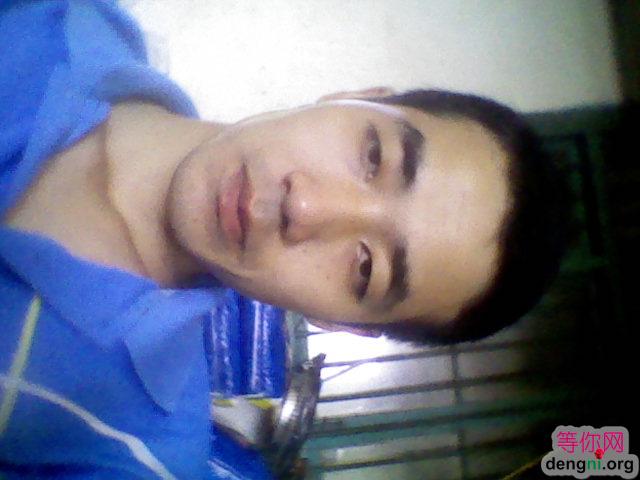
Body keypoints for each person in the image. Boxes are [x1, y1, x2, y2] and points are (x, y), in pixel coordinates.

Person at [0, 0, 572, 478]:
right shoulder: (60, 17)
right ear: (358, 93)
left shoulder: (127, 452)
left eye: (366, 269)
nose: (305, 208)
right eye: (374, 155)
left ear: (342, 323)